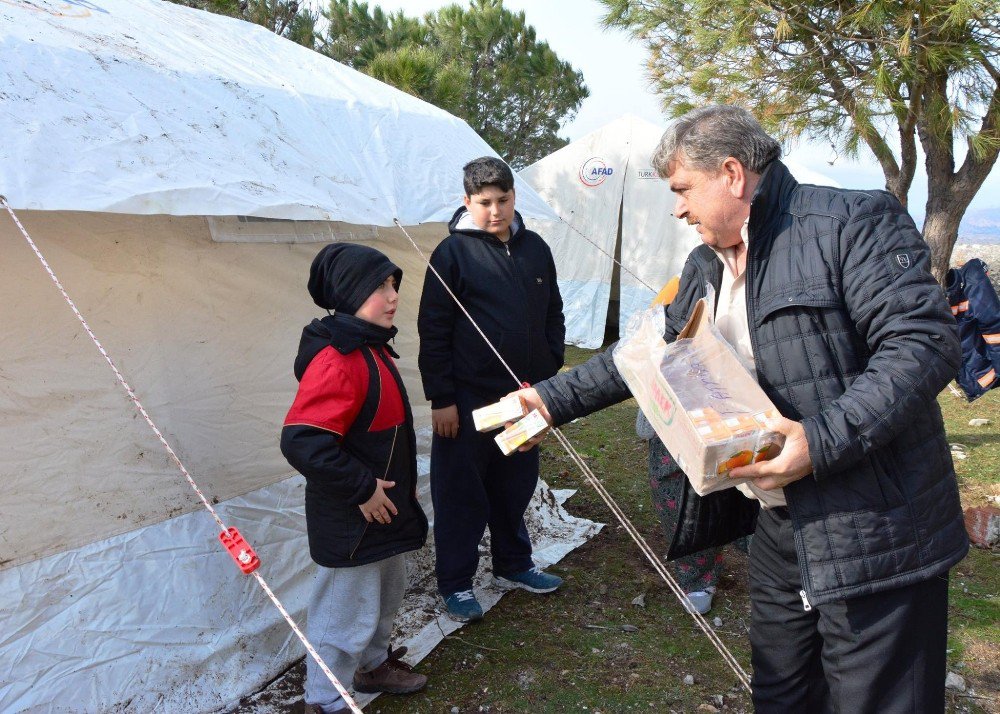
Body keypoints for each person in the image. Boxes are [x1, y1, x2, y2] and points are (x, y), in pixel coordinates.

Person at [509, 106, 968, 712]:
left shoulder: (849, 222)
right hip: (779, 530)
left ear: (730, 173)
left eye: (682, 190)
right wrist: (549, 398)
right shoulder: (705, 265)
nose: (677, 209)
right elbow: (647, 353)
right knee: (782, 696)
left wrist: (819, 441)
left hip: (875, 529)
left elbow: (923, 343)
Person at [280, 244, 429, 714]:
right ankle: (324, 701)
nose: (392, 297)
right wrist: (361, 488)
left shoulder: (370, 345)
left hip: (381, 514)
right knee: (343, 612)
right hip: (351, 517)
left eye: (392, 285)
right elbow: (303, 441)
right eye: (378, 287)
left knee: (385, 595)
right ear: (347, 295)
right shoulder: (339, 359)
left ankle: (372, 666)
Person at [417, 156, 566, 622]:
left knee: (516, 483)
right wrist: (442, 398)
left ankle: (513, 564)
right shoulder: (452, 254)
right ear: (467, 201)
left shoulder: (536, 249)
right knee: (462, 491)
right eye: (484, 202)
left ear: (514, 197)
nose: (495, 211)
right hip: (468, 400)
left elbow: (553, 312)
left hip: (525, 398)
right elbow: (433, 327)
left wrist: (550, 361)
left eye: (503, 200)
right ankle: (457, 583)